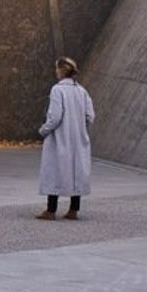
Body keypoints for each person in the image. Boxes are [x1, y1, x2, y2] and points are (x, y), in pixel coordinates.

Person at [36, 57, 95, 219]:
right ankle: (73, 209)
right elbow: (90, 116)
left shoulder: (57, 90)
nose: (55, 72)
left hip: (59, 137)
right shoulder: (82, 91)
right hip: (78, 138)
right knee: (77, 172)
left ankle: (51, 210)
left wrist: (43, 130)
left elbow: (55, 116)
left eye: (56, 69)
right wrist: (80, 128)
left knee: (54, 171)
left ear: (61, 71)